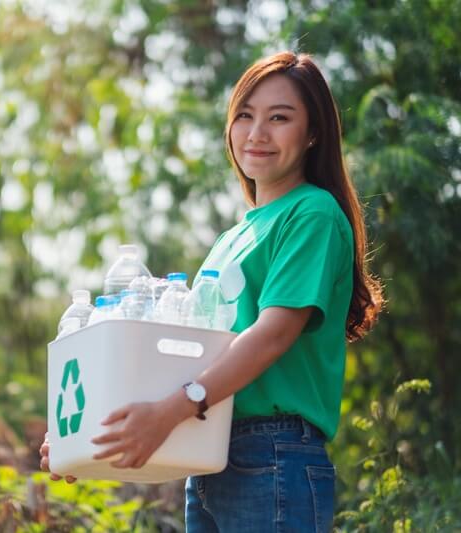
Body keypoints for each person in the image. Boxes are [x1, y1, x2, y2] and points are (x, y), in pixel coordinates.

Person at [40, 51, 383, 532]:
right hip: (209, 451)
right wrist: (83, 433)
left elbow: (273, 334)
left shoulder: (312, 214)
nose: (257, 133)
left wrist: (173, 409)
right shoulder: (232, 238)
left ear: (312, 134)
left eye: (279, 118)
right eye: (245, 116)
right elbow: (184, 355)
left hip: (274, 452)